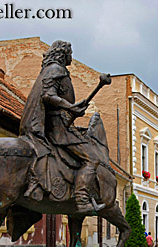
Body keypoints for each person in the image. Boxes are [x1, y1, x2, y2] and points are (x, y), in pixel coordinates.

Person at [19, 40, 105, 214]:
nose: (71, 58)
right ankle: (81, 199)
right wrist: (70, 107)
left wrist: (72, 111)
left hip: (59, 123)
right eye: (70, 54)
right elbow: (48, 96)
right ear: (63, 54)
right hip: (57, 129)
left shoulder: (51, 70)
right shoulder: (56, 70)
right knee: (93, 159)